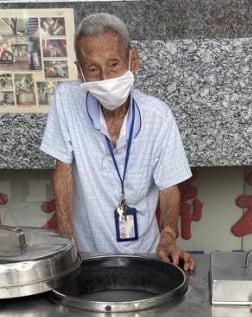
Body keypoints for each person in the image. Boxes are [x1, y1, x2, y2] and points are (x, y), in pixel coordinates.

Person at [39, 12, 195, 270]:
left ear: (133, 60)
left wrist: (168, 237)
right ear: (80, 72)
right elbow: (63, 172)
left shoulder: (158, 116)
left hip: (144, 256)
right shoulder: (67, 101)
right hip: (88, 256)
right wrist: (67, 237)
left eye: (114, 64)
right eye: (93, 69)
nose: (105, 79)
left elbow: (169, 187)